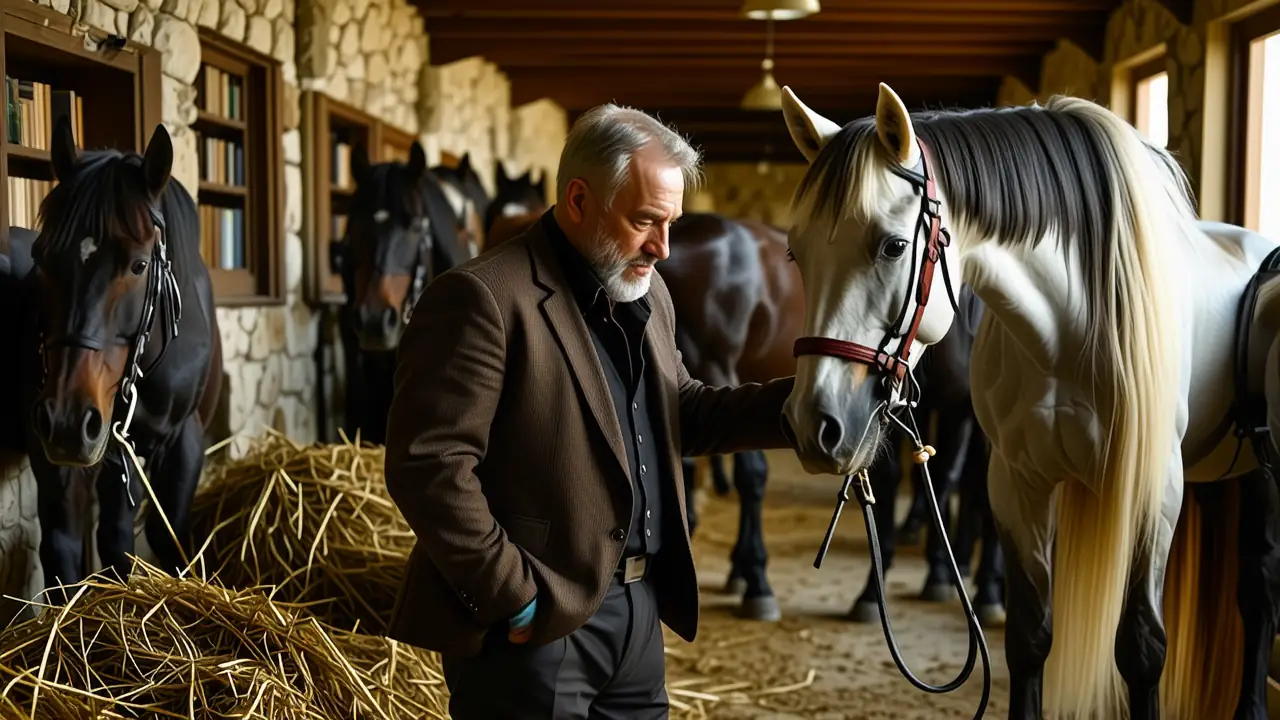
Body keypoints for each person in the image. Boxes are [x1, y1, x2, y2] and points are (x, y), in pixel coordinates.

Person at [382, 103, 796, 719]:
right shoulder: (482, 297)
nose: (663, 247)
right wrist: (514, 596)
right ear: (578, 200)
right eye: (646, 221)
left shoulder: (648, 289)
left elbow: (682, 409)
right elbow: (428, 466)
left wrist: (803, 403)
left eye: (672, 223)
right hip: (534, 630)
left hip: (639, 613)